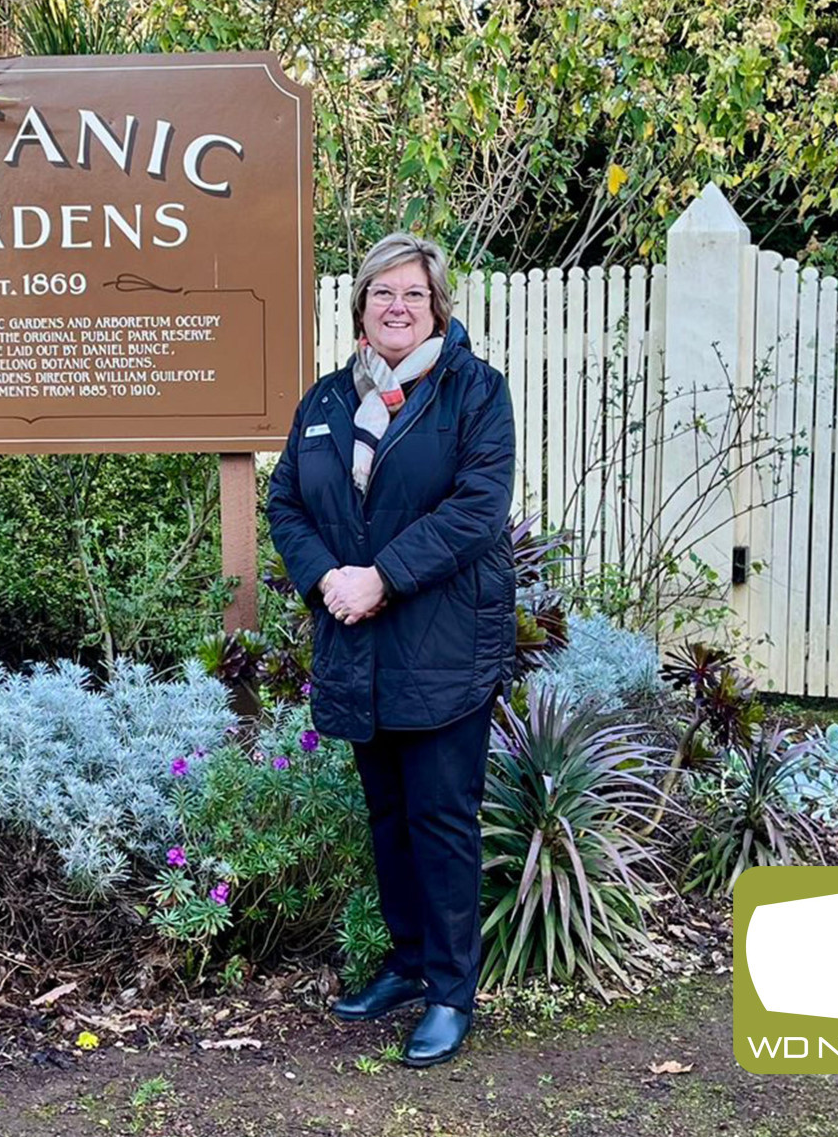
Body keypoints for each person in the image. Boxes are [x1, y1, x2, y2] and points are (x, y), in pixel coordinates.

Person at [266, 233, 516, 1069]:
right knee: (389, 819)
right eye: (382, 293)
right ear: (361, 307)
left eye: (412, 293)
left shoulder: (474, 394)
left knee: (442, 821)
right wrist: (326, 576)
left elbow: (476, 511)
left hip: (444, 646)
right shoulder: (330, 400)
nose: (397, 306)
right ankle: (408, 964)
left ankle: (451, 993)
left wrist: (381, 577)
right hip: (360, 646)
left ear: (436, 306)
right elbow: (286, 502)